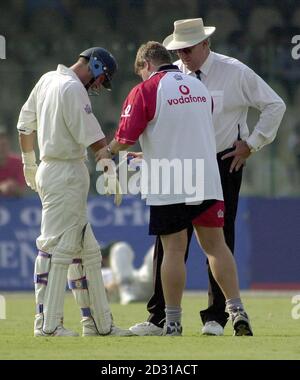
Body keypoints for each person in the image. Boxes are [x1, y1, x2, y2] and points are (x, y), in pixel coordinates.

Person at [130, 19, 286, 337]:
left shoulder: (235, 72)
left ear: (205, 45)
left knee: (216, 239)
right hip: (179, 162)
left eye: (188, 49)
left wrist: (252, 144)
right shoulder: (170, 74)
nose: (183, 55)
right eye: (178, 50)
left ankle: (216, 317)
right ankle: (161, 316)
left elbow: (274, 104)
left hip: (222, 160)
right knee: (171, 244)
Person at [95, 41, 253, 336]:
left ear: (146, 65)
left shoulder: (146, 89)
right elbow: (186, 132)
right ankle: (237, 310)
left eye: (140, 72)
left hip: (170, 178)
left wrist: (105, 152)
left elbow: (126, 138)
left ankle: (173, 321)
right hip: (206, 175)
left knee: (174, 249)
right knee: (216, 246)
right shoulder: (199, 88)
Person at [17, 47, 131, 337]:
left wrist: (29, 164)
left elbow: (24, 125)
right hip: (65, 171)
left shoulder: (46, 80)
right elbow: (94, 139)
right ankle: (48, 324)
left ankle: (97, 324)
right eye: (100, 78)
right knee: (56, 247)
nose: (97, 87)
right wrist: (109, 168)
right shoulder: (71, 88)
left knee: (87, 250)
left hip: (51, 168)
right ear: (93, 65)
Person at [0, 127, 25, 197]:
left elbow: (21, 190)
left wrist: (12, 187)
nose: (1, 149)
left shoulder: (18, 162)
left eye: (4, 145)